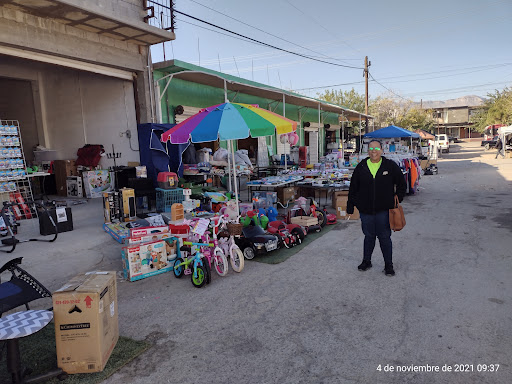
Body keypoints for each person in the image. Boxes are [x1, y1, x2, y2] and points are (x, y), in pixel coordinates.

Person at [347, 140, 407, 276]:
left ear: (381, 150)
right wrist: (351, 205)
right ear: (367, 151)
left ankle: (388, 265)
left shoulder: (390, 166)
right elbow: (353, 188)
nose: (374, 151)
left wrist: (397, 199)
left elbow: (401, 184)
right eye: (371, 148)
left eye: (376, 148)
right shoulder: (361, 167)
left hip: (384, 210)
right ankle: (366, 261)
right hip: (366, 211)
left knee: (385, 237)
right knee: (368, 236)